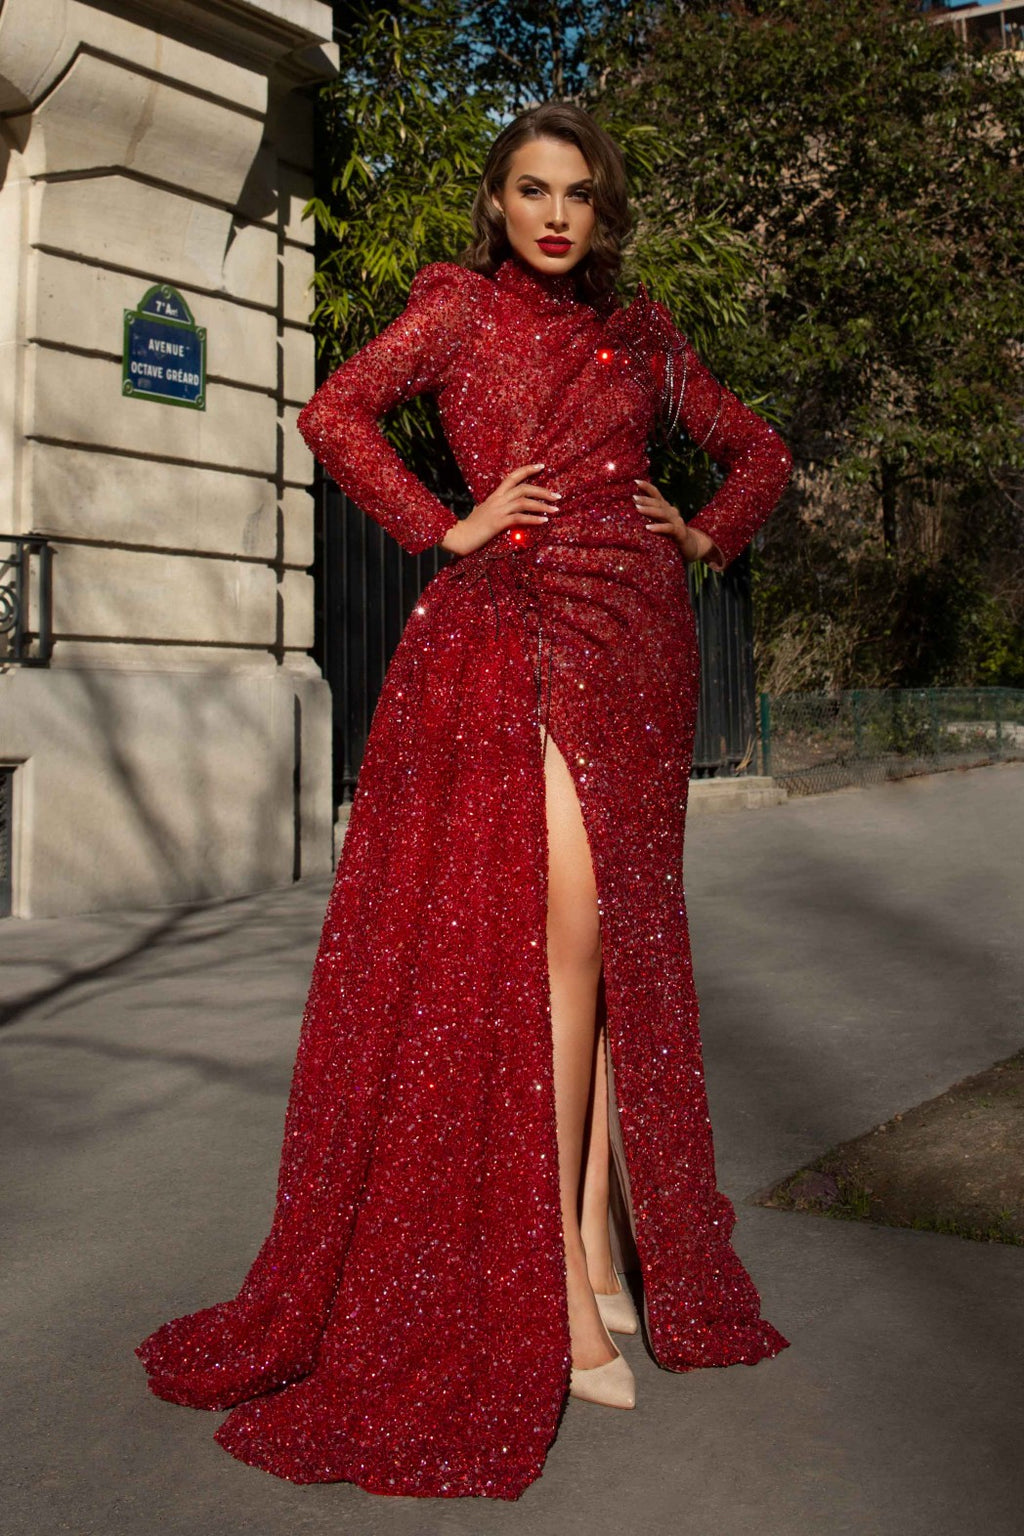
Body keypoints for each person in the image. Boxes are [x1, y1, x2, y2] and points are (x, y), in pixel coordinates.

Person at [136, 102, 792, 1501]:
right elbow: (332, 411)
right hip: (517, 634)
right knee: (557, 955)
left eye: (580, 198)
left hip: (641, 646)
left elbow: (760, 454)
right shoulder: (452, 316)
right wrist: (445, 524)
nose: (556, 216)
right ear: (497, 204)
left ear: (603, 215)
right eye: (532, 192)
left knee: (618, 955)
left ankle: (608, 1254)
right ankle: (550, 1281)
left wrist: (707, 529)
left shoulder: (649, 338)